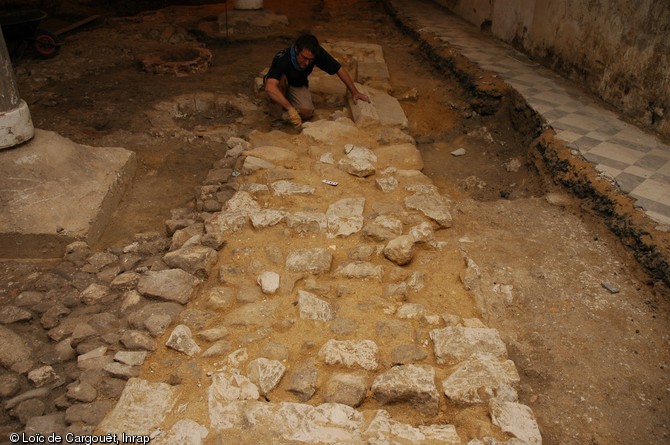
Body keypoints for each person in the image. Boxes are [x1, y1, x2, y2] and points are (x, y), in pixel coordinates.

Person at [264, 33, 370, 127]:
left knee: (307, 112)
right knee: (278, 85)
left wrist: (354, 92)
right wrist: (290, 108)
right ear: (296, 49)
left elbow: (339, 69)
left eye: (311, 60)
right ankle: (276, 119)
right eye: (304, 58)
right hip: (280, 83)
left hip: (297, 84)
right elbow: (270, 86)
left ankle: (285, 112)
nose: (307, 63)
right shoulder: (282, 58)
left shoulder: (316, 53)